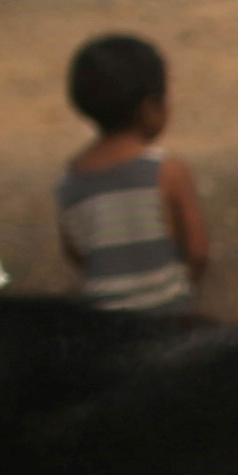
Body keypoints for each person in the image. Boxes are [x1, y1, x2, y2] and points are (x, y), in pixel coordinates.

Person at [55, 30, 209, 316]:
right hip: (168, 316)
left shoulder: (70, 180)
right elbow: (197, 252)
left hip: (105, 324)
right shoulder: (167, 170)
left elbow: (77, 254)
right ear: (150, 106)